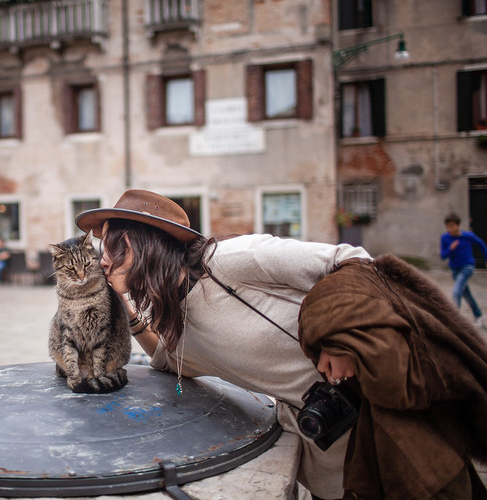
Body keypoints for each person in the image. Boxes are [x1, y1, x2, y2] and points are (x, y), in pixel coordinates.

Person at [76, 189, 372, 500]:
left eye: (110, 247)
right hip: (329, 454)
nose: (103, 261)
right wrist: (127, 309)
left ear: (143, 244)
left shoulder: (228, 261)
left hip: (379, 410)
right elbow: (169, 359)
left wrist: (342, 341)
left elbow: (352, 261)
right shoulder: (177, 315)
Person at [298, 254, 487, 499]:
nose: (334, 374)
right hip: (431, 454)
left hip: (430, 463)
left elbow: (349, 257)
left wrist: (340, 346)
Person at [440, 213, 487, 327]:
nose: (450, 229)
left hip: (468, 266)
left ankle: (454, 321)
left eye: (452, 226)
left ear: (458, 225)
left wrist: (486, 258)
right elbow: (443, 256)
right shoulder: (445, 238)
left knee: (456, 292)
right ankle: (478, 315)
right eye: (448, 226)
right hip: (455, 268)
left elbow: (481, 244)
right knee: (466, 294)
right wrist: (450, 249)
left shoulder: (467, 236)